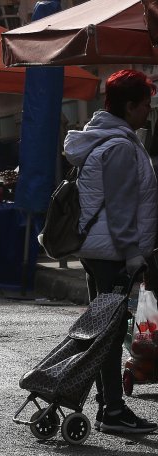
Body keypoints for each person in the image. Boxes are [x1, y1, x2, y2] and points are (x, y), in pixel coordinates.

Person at [64, 69, 158, 434]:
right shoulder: (119, 146)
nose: (148, 112)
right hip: (111, 252)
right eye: (145, 105)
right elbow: (120, 208)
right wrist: (133, 252)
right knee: (108, 332)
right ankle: (113, 410)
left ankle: (109, 408)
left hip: (100, 249)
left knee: (104, 331)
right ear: (129, 105)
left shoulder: (110, 139)